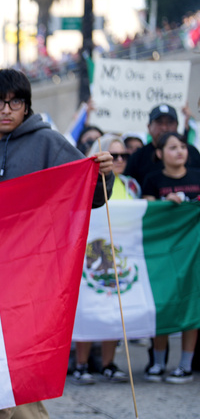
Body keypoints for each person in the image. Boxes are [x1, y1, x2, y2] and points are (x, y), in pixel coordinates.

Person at [0, 68, 113, 419]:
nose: (6, 109)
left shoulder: (47, 142)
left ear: (27, 106)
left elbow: (91, 195)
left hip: (40, 266)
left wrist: (104, 173)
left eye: (15, 101)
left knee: (20, 350)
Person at [70, 134, 137, 385]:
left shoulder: (131, 185)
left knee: (114, 308)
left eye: (124, 156)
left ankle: (108, 363)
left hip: (120, 254)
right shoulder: (86, 179)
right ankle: (81, 364)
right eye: (114, 155)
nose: (119, 160)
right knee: (87, 307)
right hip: (90, 253)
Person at [141, 132, 200, 384]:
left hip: (192, 253)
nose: (179, 151)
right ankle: (158, 361)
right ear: (159, 153)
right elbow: (147, 212)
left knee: (191, 305)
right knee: (163, 303)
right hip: (163, 255)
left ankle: (185, 365)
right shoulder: (152, 180)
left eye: (183, 147)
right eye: (173, 147)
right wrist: (165, 204)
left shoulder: (198, 177)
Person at [125, 104, 200, 187]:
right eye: (159, 122)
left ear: (177, 125)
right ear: (149, 127)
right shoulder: (137, 157)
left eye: (170, 122)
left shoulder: (192, 152)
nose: (164, 128)